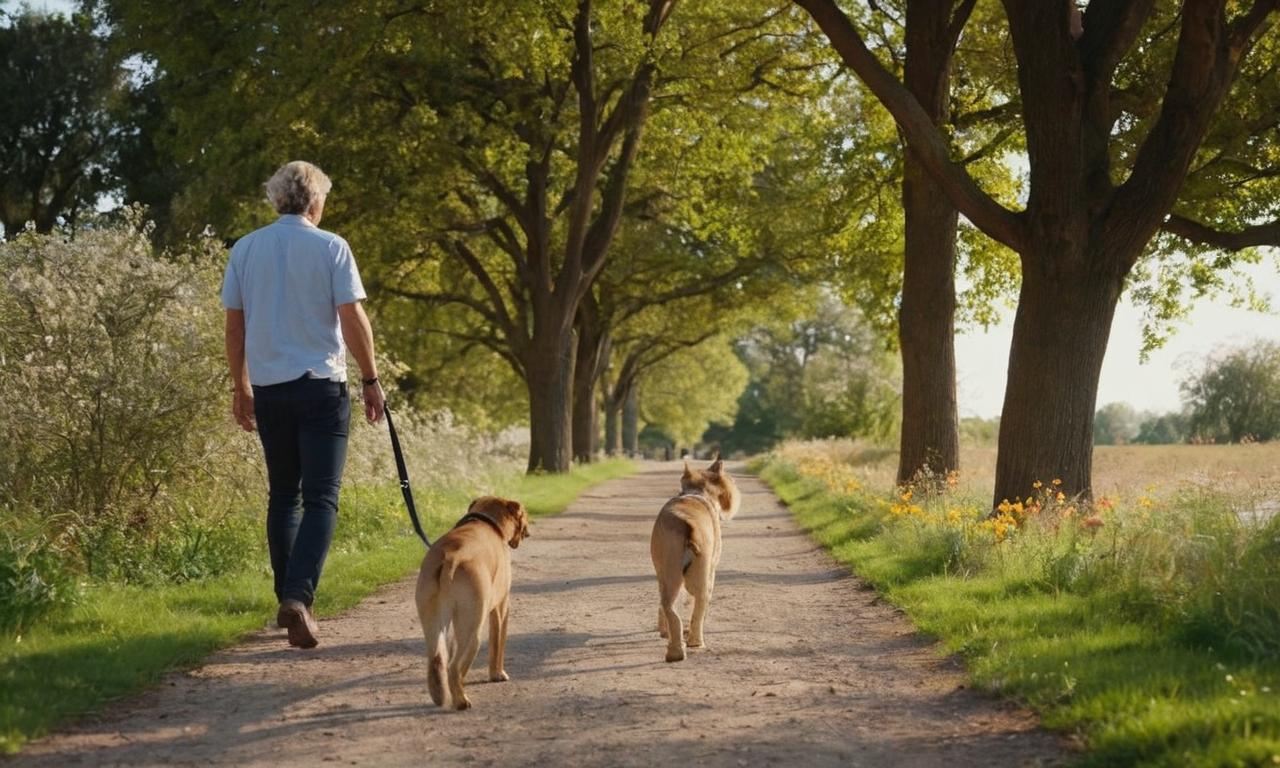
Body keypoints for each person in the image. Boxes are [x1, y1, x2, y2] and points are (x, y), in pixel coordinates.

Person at [221, 160, 385, 649]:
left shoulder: (245, 249)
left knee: (283, 495)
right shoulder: (331, 246)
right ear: (315, 201)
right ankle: (298, 596)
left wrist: (240, 386)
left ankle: (290, 601)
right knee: (321, 498)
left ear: (277, 199)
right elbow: (352, 318)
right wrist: (371, 379)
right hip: (320, 387)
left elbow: (235, 326)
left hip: (270, 389)